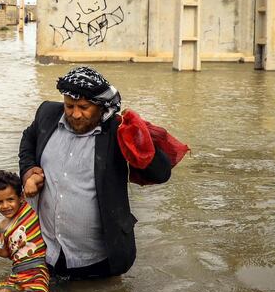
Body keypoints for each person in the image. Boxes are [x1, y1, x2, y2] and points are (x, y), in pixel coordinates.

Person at [19, 66, 172, 279]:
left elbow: (161, 173)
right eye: (69, 105)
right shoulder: (47, 114)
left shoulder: (117, 131)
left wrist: (139, 138)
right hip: (47, 252)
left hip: (97, 260)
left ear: (100, 106)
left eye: (84, 107)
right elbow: (28, 137)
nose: (75, 114)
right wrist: (28, 172)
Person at [0, 170, 52, 292]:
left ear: (20, 197)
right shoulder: (2, 227)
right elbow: (9, 253)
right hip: (17, 272)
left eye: (10, 199)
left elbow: (40, 178)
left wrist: (32, 178)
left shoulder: (28, 209)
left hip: (37, 268)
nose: (5, 206)